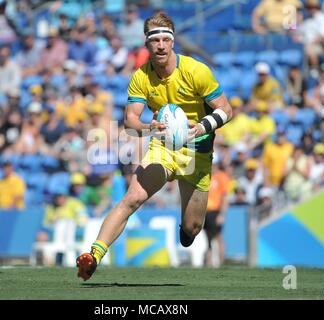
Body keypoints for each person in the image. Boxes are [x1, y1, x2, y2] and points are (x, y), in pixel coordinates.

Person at [76, 12, 233, 280]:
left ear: (172, 42)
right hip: (163, 148)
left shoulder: (197, 71)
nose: (160, 45)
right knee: (133, 197)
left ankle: (186, 231)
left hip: (199, 152)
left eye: (165, 39)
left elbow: (227, 111)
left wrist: (201, 127)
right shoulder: (141, 77)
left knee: (193, 228)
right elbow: (130, 121)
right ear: (146, 45)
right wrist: (150, 128)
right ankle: (93, 255)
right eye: (154, 40)